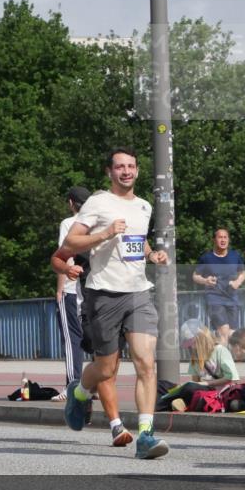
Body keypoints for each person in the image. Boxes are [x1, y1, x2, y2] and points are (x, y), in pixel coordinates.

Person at [62, 147, 170, 459]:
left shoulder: (144, 206)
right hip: (104, 294)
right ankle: (80, 391)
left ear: (137, 170)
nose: (126, 171)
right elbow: (71, 243)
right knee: (106, 368)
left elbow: (137, 238)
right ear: (109, 172)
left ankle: (146, 436)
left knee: (145, 362)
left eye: (131, 166)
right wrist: (105, 233)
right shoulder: (98, 203)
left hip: (138, 292)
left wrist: (151, 254)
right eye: (120, 167)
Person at [50, 242, 130, 445]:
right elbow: (59, 258)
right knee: (104, 368)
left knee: (111, 369)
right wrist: (62, 289)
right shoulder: (77, 228)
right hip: (93, 309)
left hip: (123, 305)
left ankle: (80, 392)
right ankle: (116, 426)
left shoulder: (124, 226)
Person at [57, 187, 91, 389]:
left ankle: (72, 385)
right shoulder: (96, 225)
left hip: (73, 288)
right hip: (95, 289)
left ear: (71, 203)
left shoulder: (69, 224)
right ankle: (94, 386)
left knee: (72, 338)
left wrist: (60, 290)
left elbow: (65, 256)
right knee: (95, 337)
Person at [193, 229, 245, 346]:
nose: (223, 240)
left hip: (232, 298)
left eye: (225, 237)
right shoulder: (207, 258)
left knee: (232, 334)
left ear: (228, 239)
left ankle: (210, 350)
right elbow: (195, 276)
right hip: (214, 298)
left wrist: (237, 282)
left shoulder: (235, 256)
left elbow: (242, 274)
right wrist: (205, 280)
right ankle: (221, 362)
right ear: (214, 240)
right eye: (220, 237)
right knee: (224, 331)